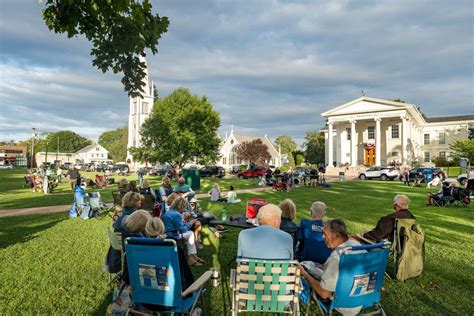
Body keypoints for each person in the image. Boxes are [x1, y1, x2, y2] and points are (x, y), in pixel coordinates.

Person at [299, 219, 366, 315]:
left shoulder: (336, 258)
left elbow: (324, 293)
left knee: (304, 273)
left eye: (325, 234)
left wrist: (304, 274)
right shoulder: (358, 246)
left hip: (344, 305)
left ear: (337, 235)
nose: (323, 237)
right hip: (362, 298)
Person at [163, 196, 205, 266]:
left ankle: (193, 256)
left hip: (168, 233)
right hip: (172, 235)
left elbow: (179, 225)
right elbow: (183, 230)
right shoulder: (176, 214)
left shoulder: (169, 212)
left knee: (190, 234)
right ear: (181, 206)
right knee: (191, 233)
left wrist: (185, 222)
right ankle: (191, 258)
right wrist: (190, 223)